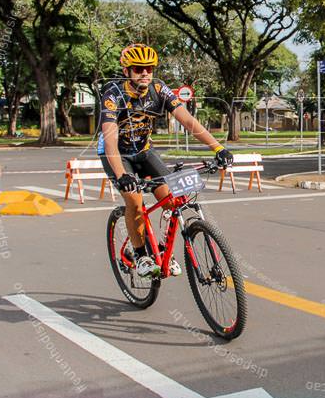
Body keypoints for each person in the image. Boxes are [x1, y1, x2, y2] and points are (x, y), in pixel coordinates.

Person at [97, 44, 233, 277]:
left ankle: (161, 249)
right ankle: (140, 255)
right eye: (139, 69)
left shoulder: (159, 89)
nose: (145, 73)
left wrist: (218, 148)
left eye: (149, 68)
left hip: (145, 151)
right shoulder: (113, 96)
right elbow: (110, 142)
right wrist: (122, 176)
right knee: (135, 202)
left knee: (172, 200)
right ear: (127, 71)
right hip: (117, 155)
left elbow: (188, 121)